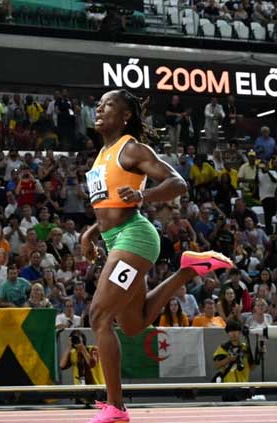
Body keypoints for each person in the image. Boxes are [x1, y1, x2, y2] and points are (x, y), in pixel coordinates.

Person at [81, 89, 233, 423]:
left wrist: (142, 194)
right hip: (115, 239)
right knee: (132, 324)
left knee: (99, 317)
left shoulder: (131, 148)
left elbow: (178, 183)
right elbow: (106, 207)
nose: (99, 108)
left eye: (107, 105)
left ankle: (116, 407)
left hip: (135, 237)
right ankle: (185, 272)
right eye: (99, 103)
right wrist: (91, 232)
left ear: (125, 116)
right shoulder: (101, 156)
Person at [213, 320, 258, 386]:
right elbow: (216, 366)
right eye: (230, 331)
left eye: (236, 330)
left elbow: (251, 368)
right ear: (227, 333)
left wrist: (258, 357)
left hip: (244, 384)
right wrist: (230, 359)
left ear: (240, 332)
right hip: (228, 386)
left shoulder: (245, 348)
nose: (233, 333)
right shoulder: (223, 348)